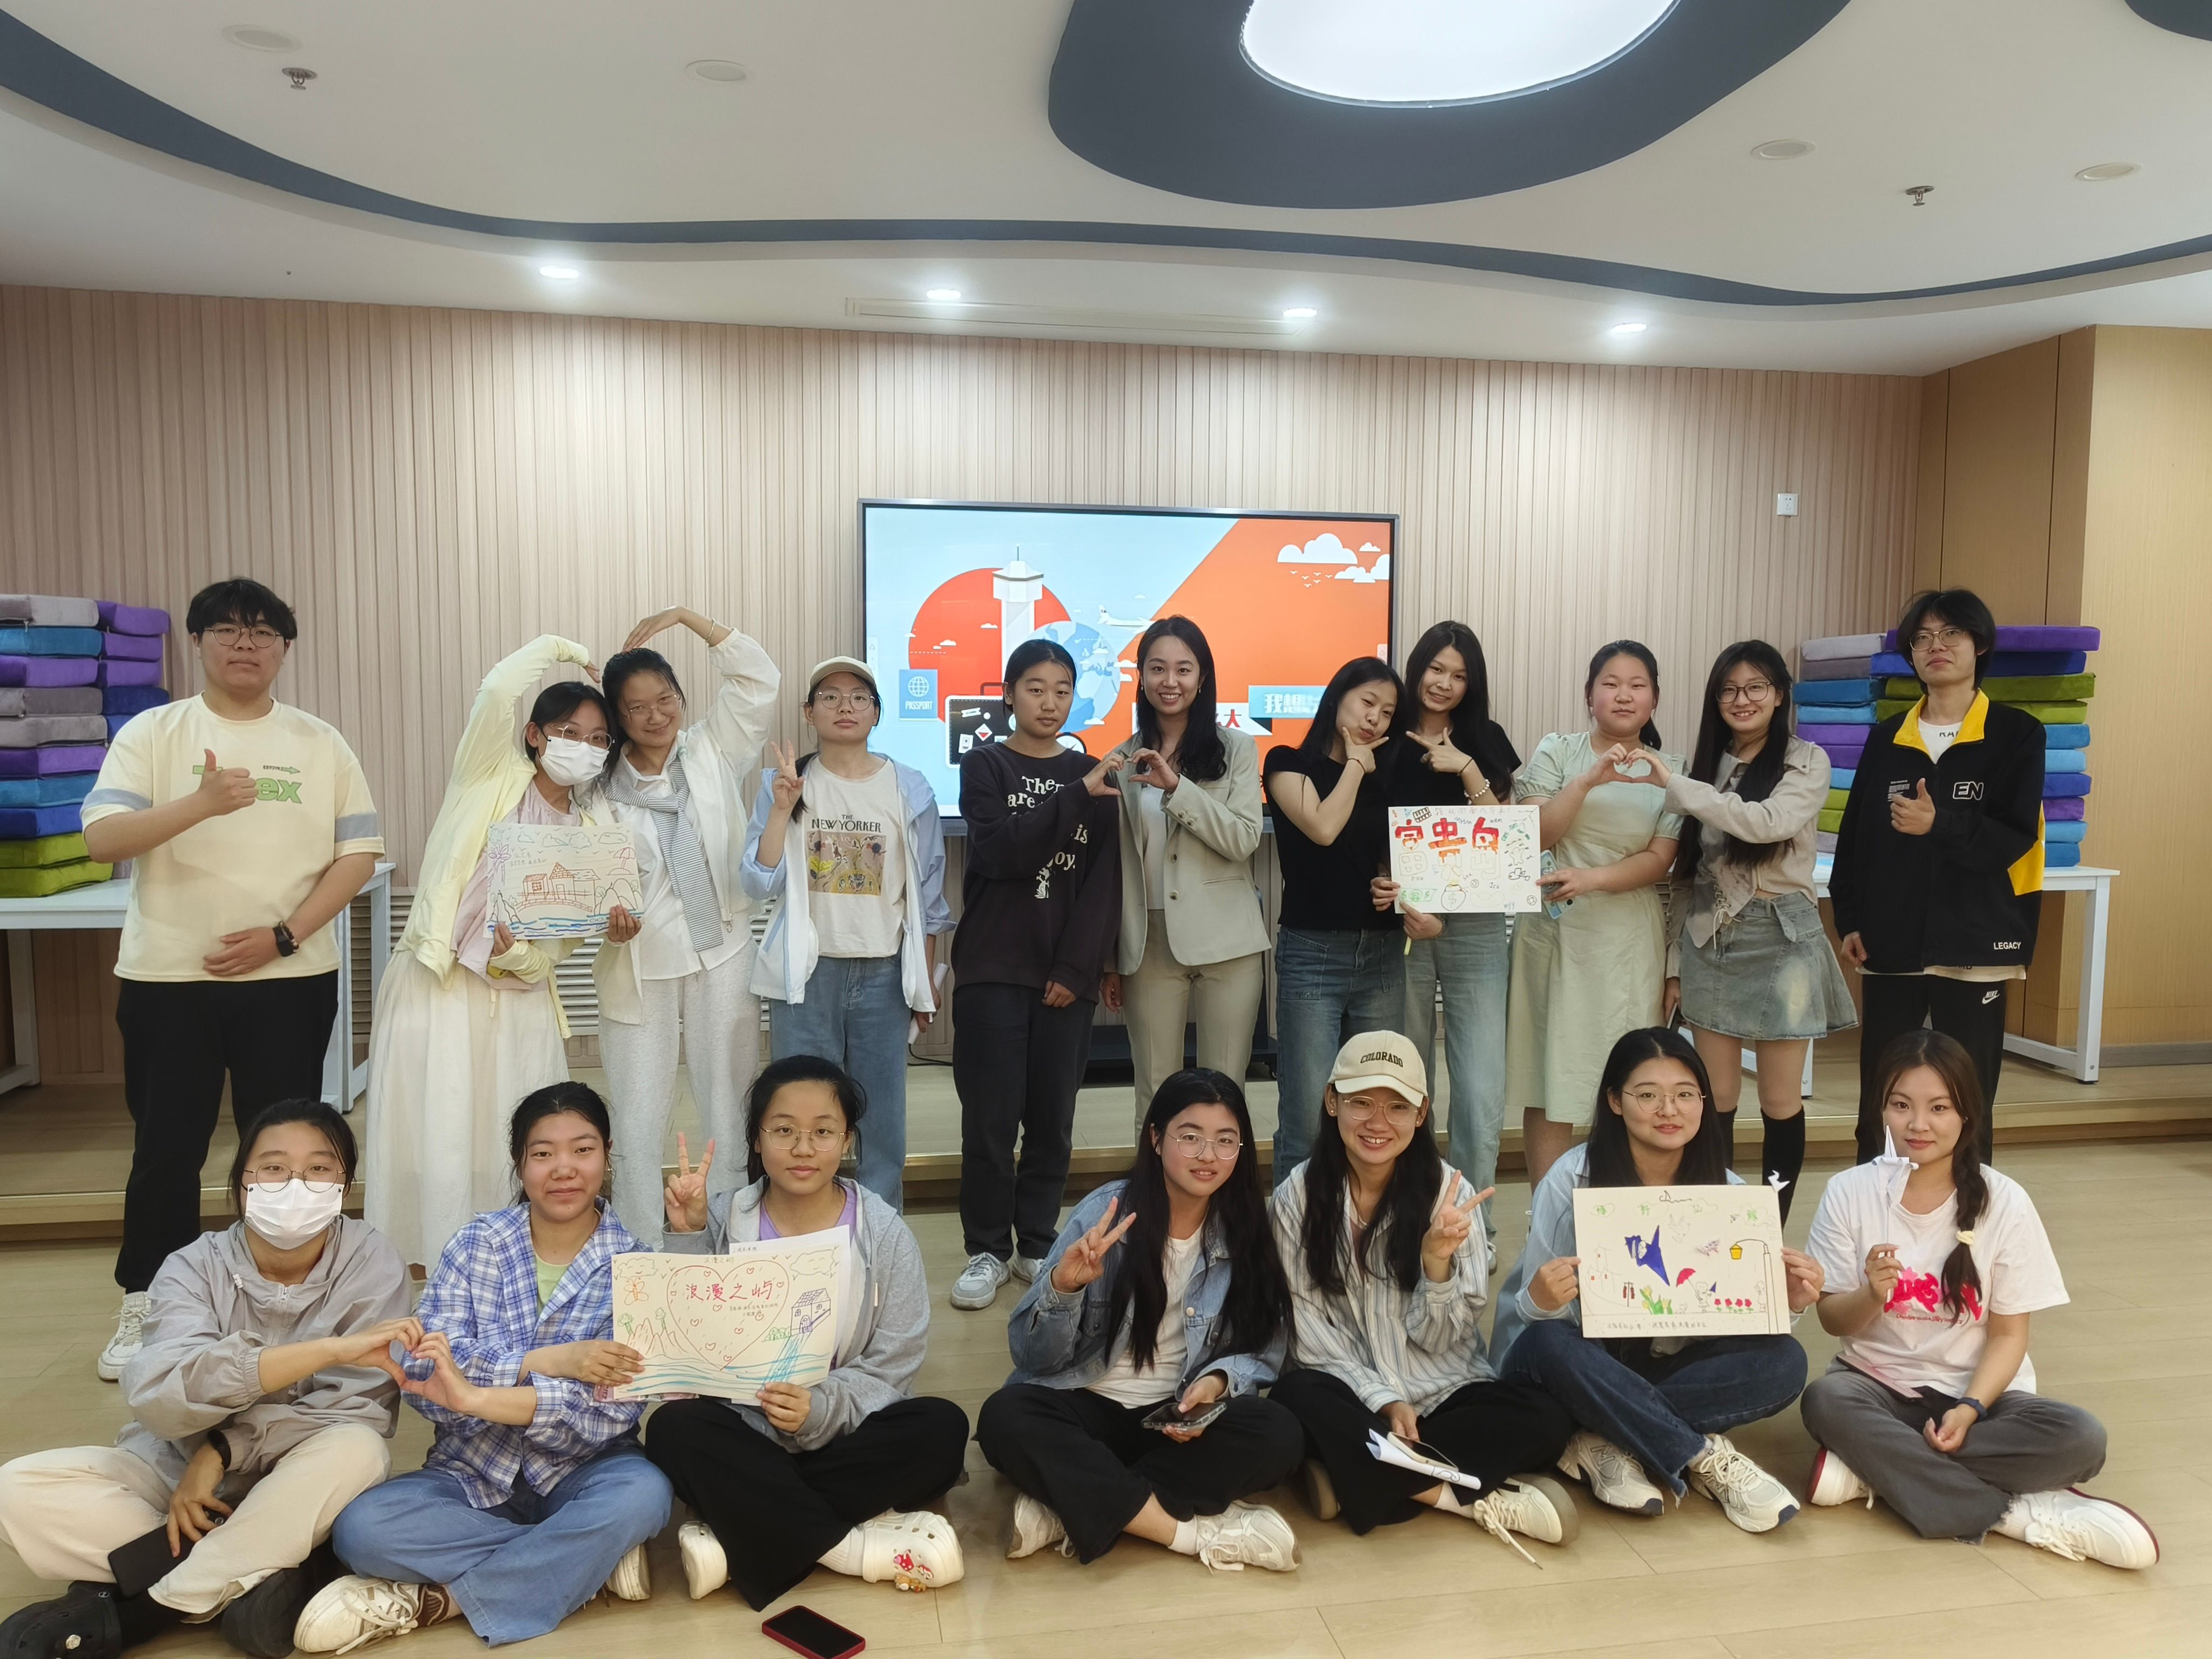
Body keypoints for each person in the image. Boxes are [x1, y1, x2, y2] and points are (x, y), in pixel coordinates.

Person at [79, 578, 383, 1380]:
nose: (245, 643)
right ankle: (151, 1300)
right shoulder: (155, 732)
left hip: (289, 979)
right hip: (167, 979)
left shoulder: (319, 741)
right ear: (198, 642)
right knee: (166, 1147)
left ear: (284, 648)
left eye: (262, 632)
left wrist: (282, 937)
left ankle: (291, 1300)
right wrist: (202, 803)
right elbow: (104, 839)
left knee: (286, 1152)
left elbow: (358, 855)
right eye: (227, 630)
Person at [0, 1101, 411, 1659]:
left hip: (298, 1476)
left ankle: (150, 1607)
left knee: (357, 1451)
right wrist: (322, 1352)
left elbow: (357, 1409)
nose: (296, 1185)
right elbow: (161, 1400)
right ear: (242, 1181)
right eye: (274, 1168)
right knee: (18, 1489)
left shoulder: (371, 1260)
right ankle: (267, 1566)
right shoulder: (193, 1265)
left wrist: (223, 1449)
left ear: (344, 1184)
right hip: (178, 1476)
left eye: (319, 1168)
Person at [294, 1084, 674, 1650]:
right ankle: (580, 1560)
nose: (564, 1169)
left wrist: (474, 1395)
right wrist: (548, 1362)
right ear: (519, 1163)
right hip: (471, 1469)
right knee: (363, 1528)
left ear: (607, 1154)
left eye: (582, 1150)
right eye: (543, 1153)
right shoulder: (476, 1244)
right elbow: (424, 1374)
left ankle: (440, 1600)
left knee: (644, 1494)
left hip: (585, 1469)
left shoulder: (636, 1266)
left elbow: (606, 1412)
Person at [1800, 1031, 2155, 1569]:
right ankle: (2011, 1513)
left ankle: (1876, 1468)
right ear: (1881, 1109)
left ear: (1967, 1113)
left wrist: (1969, 1409)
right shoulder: (1848, 1191)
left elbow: (2009, 1336)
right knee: (1825, 1401)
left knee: (2082, 1438)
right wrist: (1871, 1294)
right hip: (1877, 1387)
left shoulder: (2005, 1201)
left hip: (1983, 1400)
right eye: (1901, 1105)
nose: (1918, 1124)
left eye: (1939, 1108)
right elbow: (1831, 1319)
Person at [649, 1055, 969, 1605]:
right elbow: (683, 1347)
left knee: (941, 1427)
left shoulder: (883, 1231)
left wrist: (819, 1408)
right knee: (672, 1430)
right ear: (756, 1139)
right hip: (747, 1432)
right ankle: (850, 1547)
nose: (803, 1148)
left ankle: (742, 1529)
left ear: (846, 1140)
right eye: (783, 1131)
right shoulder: (723, 1216)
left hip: (845, 1434)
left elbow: (895, 1362)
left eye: (822, 1132)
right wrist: (687, 1234)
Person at [368, 635, 638, 1270]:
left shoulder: (593, 835)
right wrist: (562, 647)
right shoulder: (487, 777)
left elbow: (554, 955)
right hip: (437, 985)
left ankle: (505, 1266)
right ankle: (431, 1267)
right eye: (569, 732)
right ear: (535, 736)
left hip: (518, 1001)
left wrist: (536, 953)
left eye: (599, 740)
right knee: (437, 1129)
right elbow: (496, 690)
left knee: (515, 1134)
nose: (584, 747)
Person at [1492, 1028, 1819, 1533]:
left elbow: (1740, 1318)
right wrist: (1541, 1297)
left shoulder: (1727, 1191)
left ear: (1705, 1102)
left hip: (1657, 1363)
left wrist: (1789, 1301)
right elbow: (1532, 1323)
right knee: (1549, 1343)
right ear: (1615, 1102)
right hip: (1577, 1360)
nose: (1669, 1110)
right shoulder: (1572, 1178)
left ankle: (1606, 1437)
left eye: (1686, 1094)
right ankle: (1700, 1455)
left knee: (1785, 1361)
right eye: (1647, 1095)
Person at [979, 1069, 1306, 1572]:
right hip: (1085, 1404)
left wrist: (1218, 1383)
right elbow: (1032, 1357)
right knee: (1005, 1417)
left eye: (1226, 1141)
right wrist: (1064, 1288)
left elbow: (1265, 1346)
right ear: (1156, 1138)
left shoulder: (1246, 1227)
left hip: (1176, 1418)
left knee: (1280, 1433)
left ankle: (1071, 1503)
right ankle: (1188, 1534)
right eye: (1190, 1137)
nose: (1208, 1155)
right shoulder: (1105, 1212)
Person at [1269, 1032, 1579, 1559]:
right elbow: (1306, 1333)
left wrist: (1436, 1266)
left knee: (1548, 1420)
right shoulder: (1295, 1197)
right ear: (1332, 1102)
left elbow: (1446, 1339)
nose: (1377, 1122)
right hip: (1354, 1396)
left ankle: (1354, 1476)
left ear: (1420, 1114)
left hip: (1441, 1394)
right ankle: (1462, 1500)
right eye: (1361, 1102)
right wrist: (1383, 1400)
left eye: (1397, 1106)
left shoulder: (1452, 1195)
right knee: (1294, 1399)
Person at [1831, 590, 2045, 1164]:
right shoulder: (1887, 737)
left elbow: (2014, 835)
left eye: (1951, 634)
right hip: (1892, 941)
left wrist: (1938, 824)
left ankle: (1967, 1217)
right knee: (1882, 1098)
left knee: (1967, 1100)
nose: (1936, 647)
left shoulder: (2017, 734)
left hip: (1976, 942)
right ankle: (1874, 1213)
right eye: (1922, 638)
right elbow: (1855, 839)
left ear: (1980, 645)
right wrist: (1850, 918)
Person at [1642, 642, 1856, 1217]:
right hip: (1710, 937)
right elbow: (1686, 876)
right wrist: (1674, 965)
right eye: (1729, 690)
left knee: (1781, 1101)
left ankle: (1770, 1231)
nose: (1742, 700)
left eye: (1756, 687)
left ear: (1779, 694)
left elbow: (1768, 823)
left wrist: (1680, 787)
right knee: (1715, 1100)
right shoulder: (1703, 768)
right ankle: (1720, 1224)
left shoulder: (1806, 761)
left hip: (1782, 937)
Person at [595, 606, 781, 1244]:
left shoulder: (711, 749)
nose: (656, 716)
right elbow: (585, 879)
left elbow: (757, 679)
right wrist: (605, 923)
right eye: (637, 707)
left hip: (721, 950)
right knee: (638, 1114)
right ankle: (640, 1250)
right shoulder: (597, 787)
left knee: (728, 1106)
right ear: (617, 717)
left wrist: (685, 618)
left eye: (665, 699)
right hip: (639, 963)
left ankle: (729, 1236)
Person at [948, 640, 1124, 1310]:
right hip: (993, 968)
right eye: (1034, 688)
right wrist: (1076, 795)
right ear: (1008, 694)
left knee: (1053, 1122)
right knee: (989, 1123)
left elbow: (1103, 884)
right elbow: (1001, 852)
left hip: (1064, 978)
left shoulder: (1094, 773)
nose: (1049, 702)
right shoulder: (985, 765)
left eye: (1062, 690)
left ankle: (1036, 1244)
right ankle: (987, 1250)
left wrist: (1078, 970)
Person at [746, 657, 953, 1208]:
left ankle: (879, 1229)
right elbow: (757, 881)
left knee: (881, 1116)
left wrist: (924, 982)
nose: (846, 707)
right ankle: (802, 1221)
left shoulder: (909, 787)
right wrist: (782, 809)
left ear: (877, 713)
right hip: (808, 975)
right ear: (809, 712)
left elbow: (927, 896)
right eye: (831, 697)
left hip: (885, 972)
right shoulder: (785, 783)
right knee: (802, 1109)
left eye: (860, 697)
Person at [1505, 641, 1683, 1188]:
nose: (1623, 695)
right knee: (1550, 1079)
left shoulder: (1671, 770)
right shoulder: (1558, 751)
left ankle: (1621, 1206)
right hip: (1553, 935)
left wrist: (1590, 879)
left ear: (1654, 699)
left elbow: (1660, 859)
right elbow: (1534, 835)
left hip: (1627, 938)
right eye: (1610, 683)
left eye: (1637, 685)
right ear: (1589, 695)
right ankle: (1547, 1211)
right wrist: (1587, 780)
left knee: (1633, 1076)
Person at [1098, 618, 1269, 1133]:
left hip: (1228, 940)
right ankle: (1154, 1187)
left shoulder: (1236, 749)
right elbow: (1116, 866)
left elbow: (1243, 838)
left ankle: (1223, 1188)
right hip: (1147, 940)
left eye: (1183, 669)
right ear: (1141, 677)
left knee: (1225, 1090)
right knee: (1155, 1091)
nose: (1169, 681)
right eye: (1157, 669)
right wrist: (1111, 959)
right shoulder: (1120, 759)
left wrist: (1178, 788)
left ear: (1202, 677)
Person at [1381, 621, 1520, 1251]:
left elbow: (1505, 839)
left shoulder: (1485, 739)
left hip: (1477, 924)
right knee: (1409, 1078)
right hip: (1403, 921)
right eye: (1436, 668)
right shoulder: (1383, 733)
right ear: (1416, 668)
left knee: (1479, 1086)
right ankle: (1413, 1212)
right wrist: (1410, 902)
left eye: (1459, 675)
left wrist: (1465, 768)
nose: (1444, 683)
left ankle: (1473, 1222)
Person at [1262, 658, 1408, 1174]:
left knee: (1376, 1109)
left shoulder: (1386, 778)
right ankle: (1294, 1224)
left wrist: (1392, 883)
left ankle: (1365, 1222)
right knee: (1307, 1118)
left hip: (1383, 955)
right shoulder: (1287, 763)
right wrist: (1355, 766)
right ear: (1337, 697)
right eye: (1367, 703)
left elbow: (1390, 855)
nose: (1375, 719)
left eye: (1387, 713)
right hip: (1312, 954)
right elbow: (1323, 828)